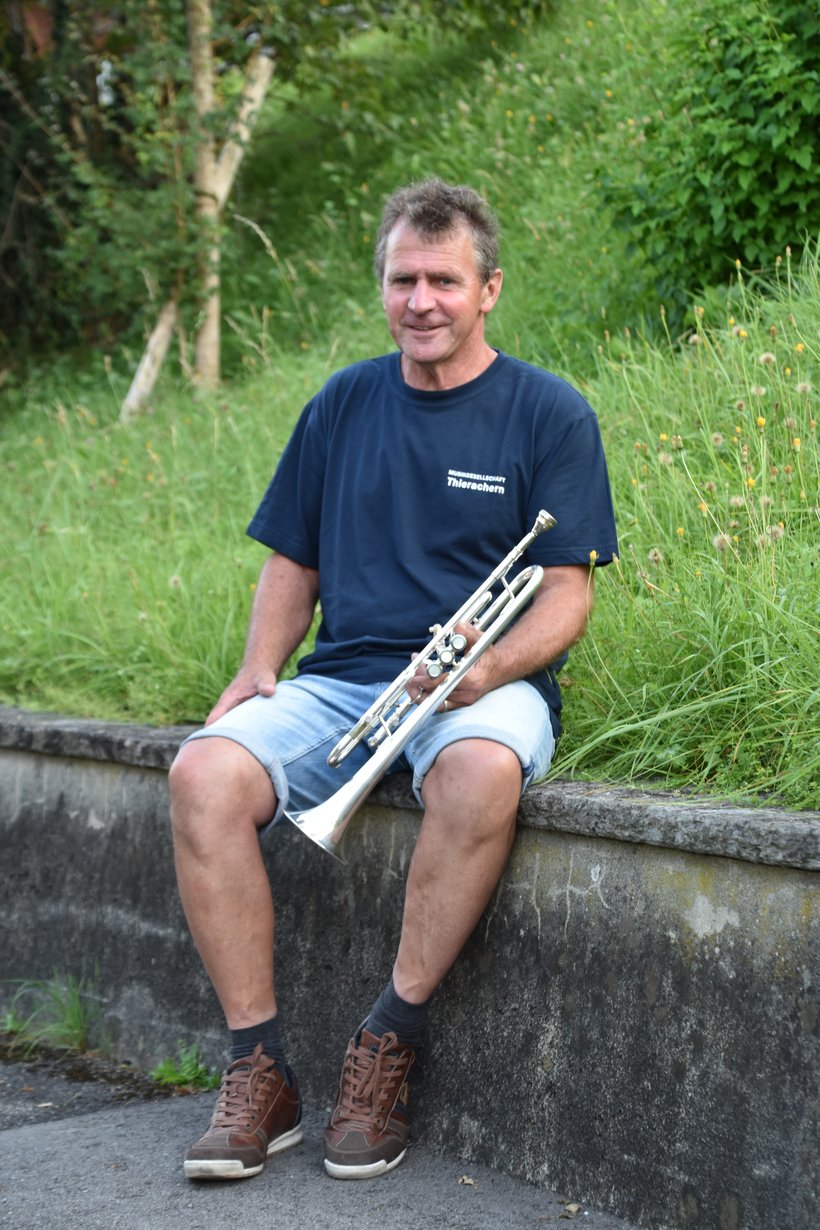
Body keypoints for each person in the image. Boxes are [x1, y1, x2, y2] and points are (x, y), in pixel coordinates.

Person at [169, 177, 618, 1183]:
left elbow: (564, 595)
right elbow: (293, 558)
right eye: (403, 279)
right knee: (201, 774)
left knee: (481, 772)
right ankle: (260, 1069)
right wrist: (257, 667)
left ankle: (388, 1040)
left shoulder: (548, 412)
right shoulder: (341, 404)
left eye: (443, 281)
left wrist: (485, 669)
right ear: (381, 285)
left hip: (478, 683)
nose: (421, 301)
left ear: (488, 289)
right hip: (345, 680)